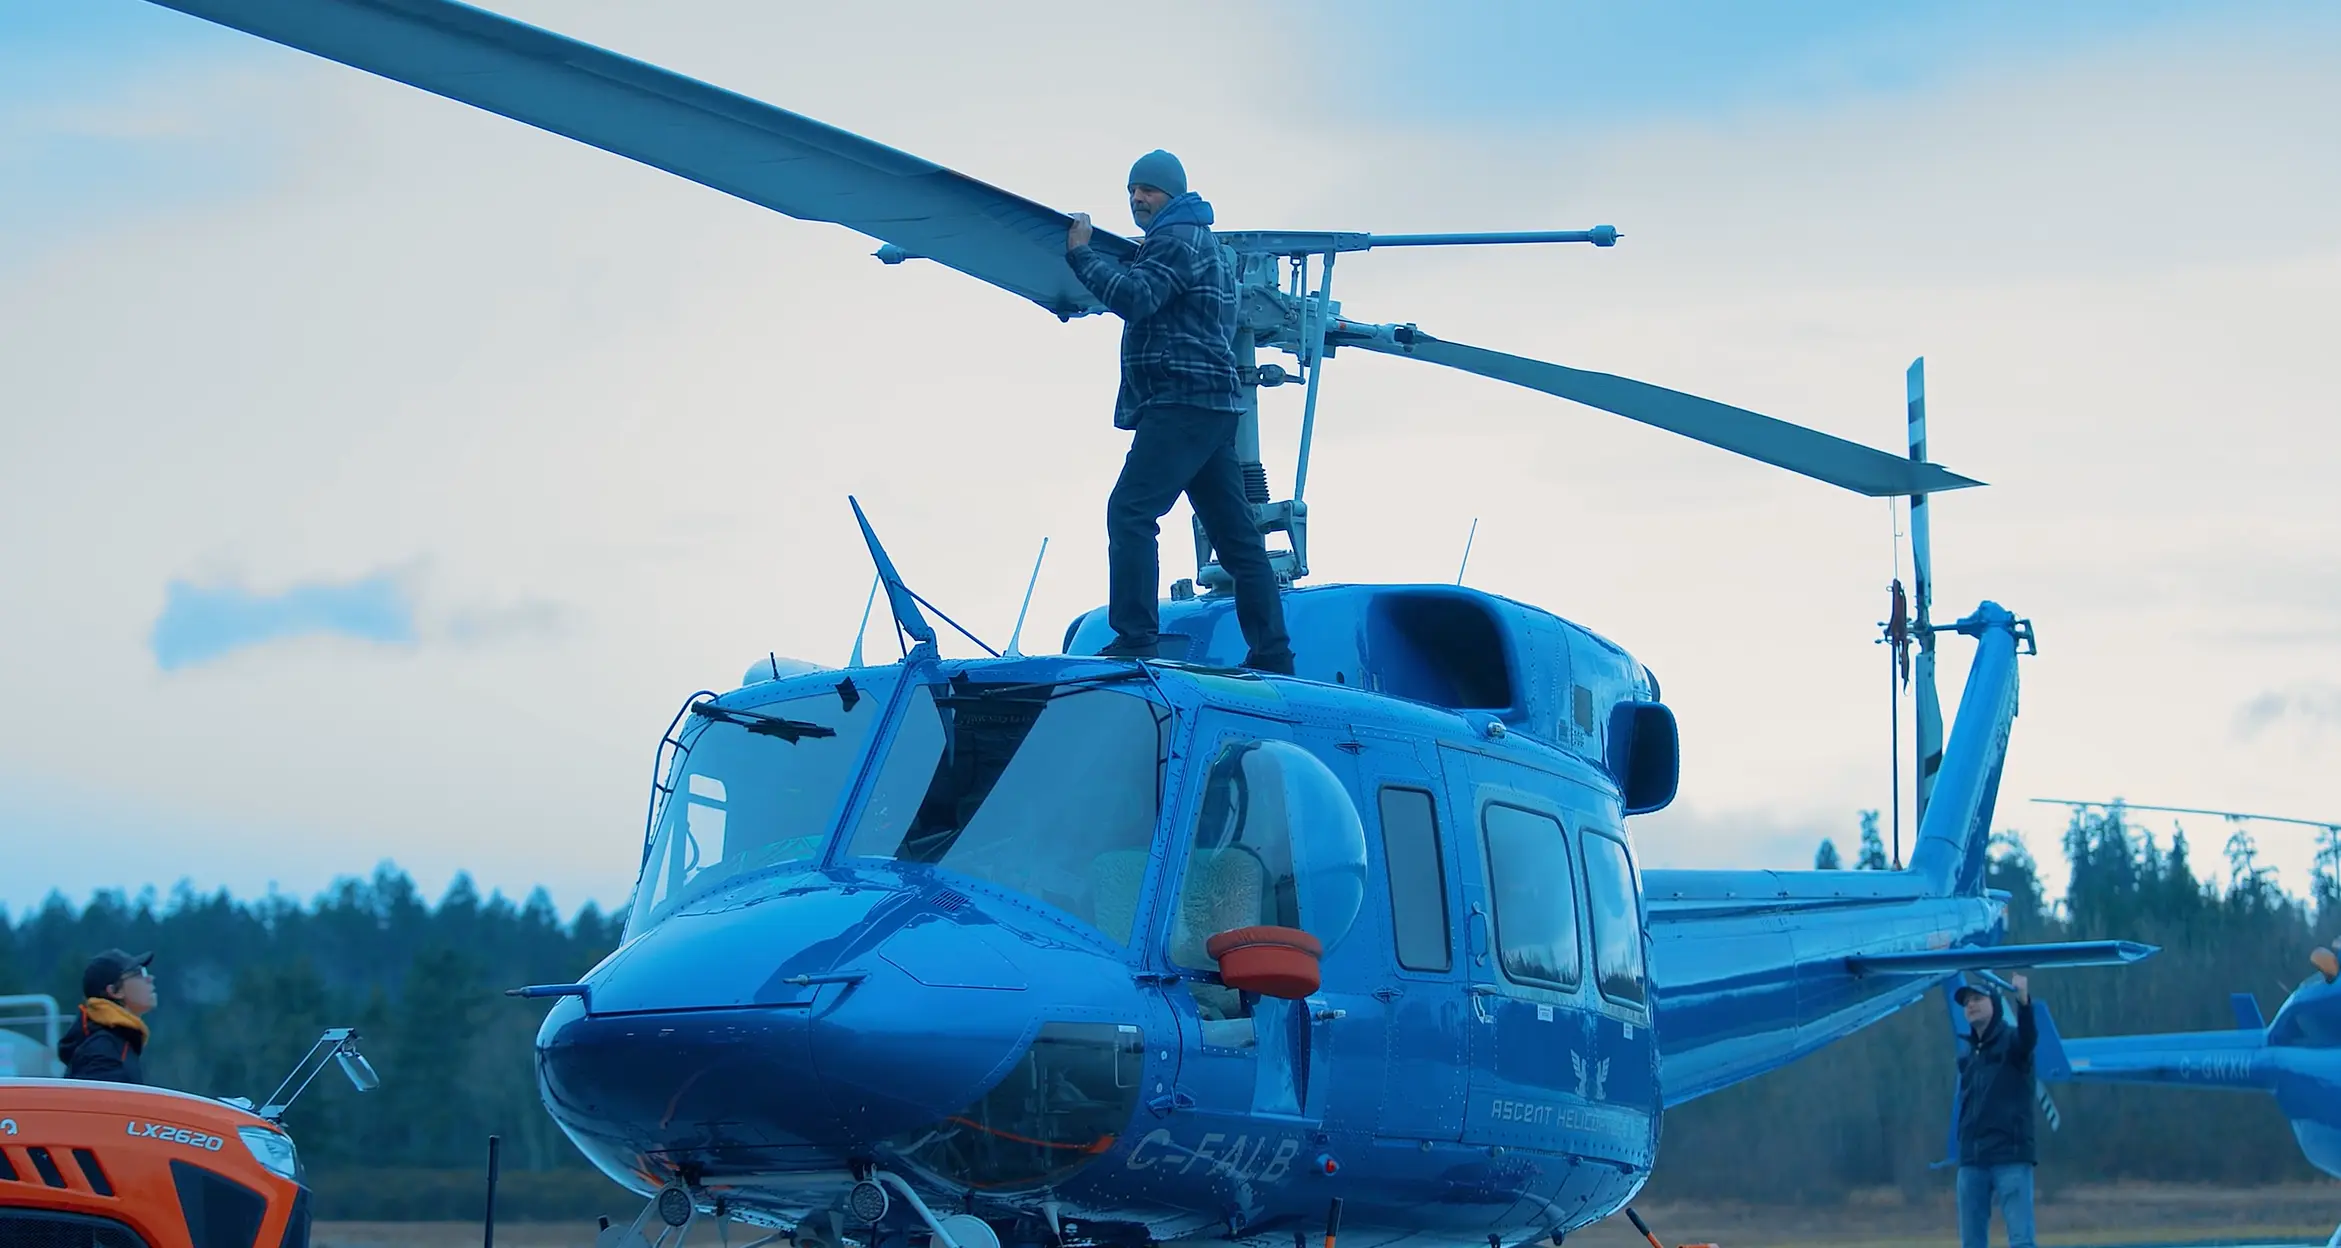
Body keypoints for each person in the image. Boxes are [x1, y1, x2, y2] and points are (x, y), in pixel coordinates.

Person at [1065, 149, 1294, 675]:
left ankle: (1136, 638)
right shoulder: (1202, 243)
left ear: (1172, 194)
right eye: (1131, 191)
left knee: (1130, 511)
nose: (1137, 198)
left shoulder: (1174, 238)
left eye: (1147, 190)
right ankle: (1274, 654)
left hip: (1181, 401)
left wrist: (1081, 255)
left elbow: (1135, 298)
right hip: (1214, 407)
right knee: (1237, 541)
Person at [1954, 974, 2038, 1248]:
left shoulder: (2013, 1043)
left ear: (1995, 1004)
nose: (1971, 1005)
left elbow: (2028, 1038)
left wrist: (2023, 1002)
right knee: (1971, 1242)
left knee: (2021, 1240)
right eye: (1967, 1001)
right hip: (1972, 1160)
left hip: (2009, 1156)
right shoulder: (1967, 1055)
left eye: (1978, 999)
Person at [58, 949, 157, 1084]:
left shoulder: (116, 1042)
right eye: (140, 973)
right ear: (115, 991)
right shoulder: (102, 1051)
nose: (150, 978)